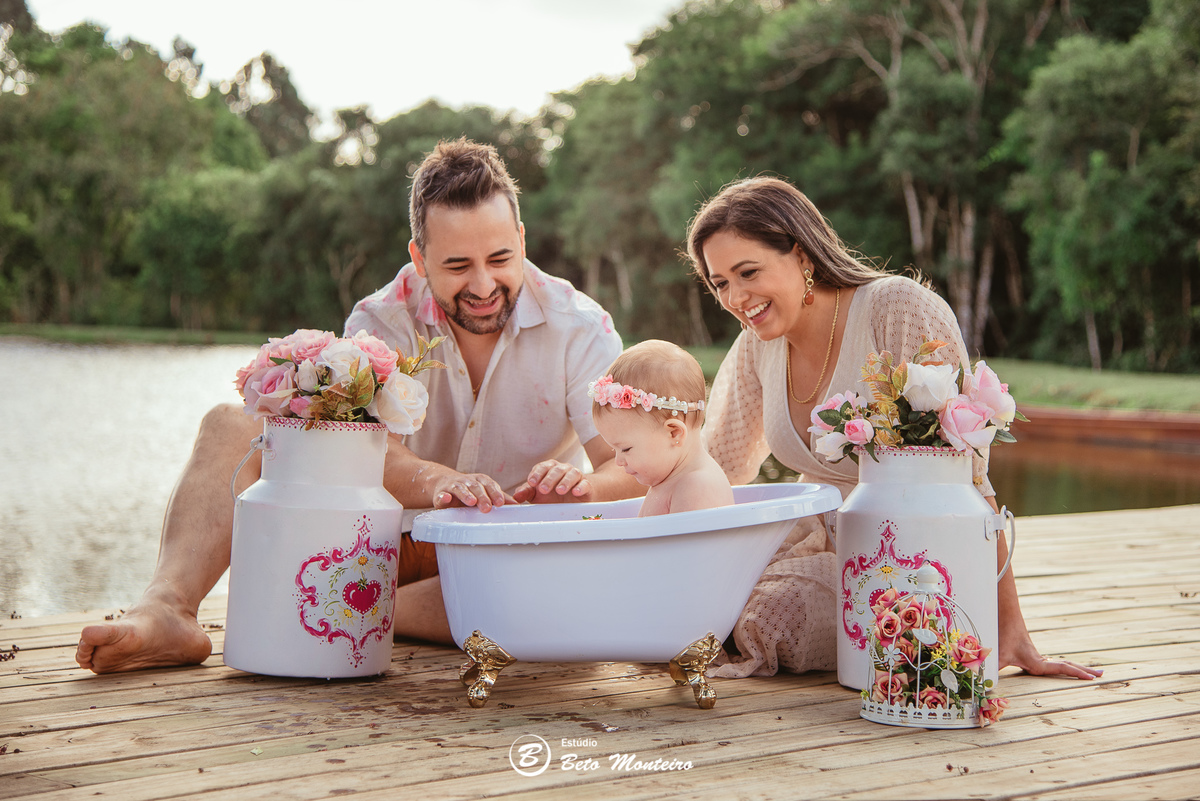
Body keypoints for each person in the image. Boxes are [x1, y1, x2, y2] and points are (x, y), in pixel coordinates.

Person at [75, 138, 641, 672]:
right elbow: (358, 454)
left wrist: (579, 485)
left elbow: (629, 466)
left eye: (499, 258)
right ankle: (168, 609)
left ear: (521, 238)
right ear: (419, 259)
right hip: (382, 546)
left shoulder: (581, 327)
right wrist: (441, 481)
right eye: (457, 266)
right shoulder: (380, 321)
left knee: (551, 592)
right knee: (230, 423)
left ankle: (358, 613)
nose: (484, 284)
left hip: (504, 552)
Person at [686, 175, 1104, 681]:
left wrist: (1007, 626)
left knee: (773, 616)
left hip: (902, 556)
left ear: (801, 255)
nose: (736, 297)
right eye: (720, 283)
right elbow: (713, 466)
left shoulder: (895, 310)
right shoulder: (758, 345)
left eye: (748, 272)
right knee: (702, 596)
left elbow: (968, 478)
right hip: (806, 533)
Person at [588, 340, 733, 516]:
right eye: (615, 449)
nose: (618, 461)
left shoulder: (696, 486)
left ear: (674, 433)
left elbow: (689, 544)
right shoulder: (669, 478)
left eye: (625, 448)